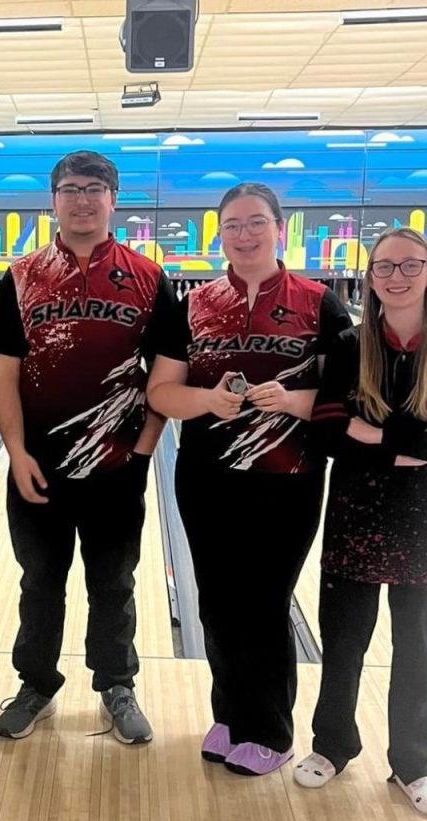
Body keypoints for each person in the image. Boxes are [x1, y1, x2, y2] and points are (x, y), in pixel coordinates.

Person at [146, 182, 351, 776]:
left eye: (256, 222)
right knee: (216, 602)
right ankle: (231, 716)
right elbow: (162, 390)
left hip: (288, 478)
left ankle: (271, 731)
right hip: (207, 479)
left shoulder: (320, 303)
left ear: (279, 228)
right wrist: (208, 398)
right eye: (232, 224)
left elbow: (348, 398)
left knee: (263, 603)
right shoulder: (194, 304)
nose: (244, 234)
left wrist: (291, 400)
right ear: (220, 233)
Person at [294, 227, 427, 817]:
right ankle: (333, 746)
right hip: (355, 515)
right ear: (371, 277)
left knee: (415, 650)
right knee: (344, 643)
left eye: (410, 265)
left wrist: (374, 434)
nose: (396, 276)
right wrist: (420, 441)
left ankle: (412, 765)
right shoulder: (352, 347)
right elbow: (327, 434)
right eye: (384, 266)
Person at [0, 151, 178, 744]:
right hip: (37, 466)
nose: (82, 199)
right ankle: (36, 684)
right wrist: (16, 452)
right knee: (39, 582)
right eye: (70, 189)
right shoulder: (20, 276)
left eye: (94, 188)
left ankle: (115, 685)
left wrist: (143, 455)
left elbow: (167, 376)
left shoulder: (150, 277)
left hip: (118, 467)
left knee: (114, 583)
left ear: (113, 200)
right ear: (54, 200)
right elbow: (2, 373)